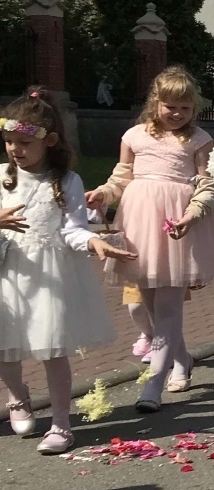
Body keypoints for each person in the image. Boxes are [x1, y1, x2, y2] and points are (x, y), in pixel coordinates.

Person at [87, 65, 214, 412]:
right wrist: (104, 194)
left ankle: (153, 384)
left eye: (185, 108)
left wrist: (192, 214)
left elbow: (207, 184)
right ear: (156, 103)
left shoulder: (198, 140)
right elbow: (121, 176)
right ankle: (181, 360)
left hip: (175, 223)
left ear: (194, 109)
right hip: (139, 222)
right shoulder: (134, 136)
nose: (177, 114)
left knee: (167, 307)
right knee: (150, 306)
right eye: (171, 107)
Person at [1, 93, 135, 452]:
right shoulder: (1, 177)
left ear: (49, 140)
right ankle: (17, 397)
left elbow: (72, 229)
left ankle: (61, 422)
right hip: (7, 273)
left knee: (52, 349)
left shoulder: (67, 181)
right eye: (10, 141)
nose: (15, 149)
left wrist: (95, 244)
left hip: (49, 276)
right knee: (5, 347)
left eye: (24, 142)